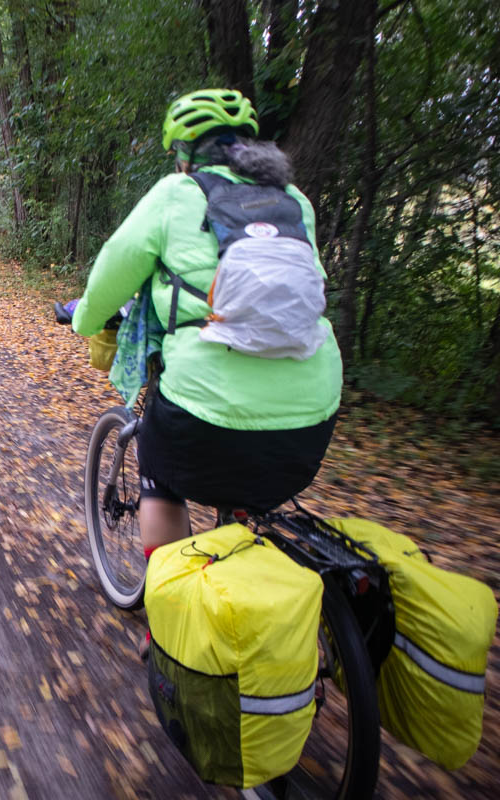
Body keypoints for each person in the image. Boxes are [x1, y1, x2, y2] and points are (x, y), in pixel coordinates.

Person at [69, 89, 343, 571]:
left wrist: (83, 320)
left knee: (160, 474)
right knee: (246, 471)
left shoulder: (177, 193)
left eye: (177, 154)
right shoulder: (295, 202)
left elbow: (112, 271)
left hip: (205, 420)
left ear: (187, 154)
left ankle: (170, 620)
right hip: (311, 424)